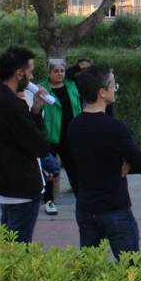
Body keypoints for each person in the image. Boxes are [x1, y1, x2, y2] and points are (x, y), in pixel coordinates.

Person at [68, 63, 141, 257]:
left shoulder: (74, 125)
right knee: (130, 268)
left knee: (91, 269)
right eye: (113, 84)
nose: (115, 88)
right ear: (102, 92)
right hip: (114, 206)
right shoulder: (115, 127)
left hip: (86, 205)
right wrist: (127, 164)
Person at [0, 46, 52, 243]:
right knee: (19, 249)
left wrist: (35, 111)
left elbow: (20, 134)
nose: (31, 77)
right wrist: (30, 115)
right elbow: (38, 145)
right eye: (30, 71)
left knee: (8, 245)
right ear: (19, 73)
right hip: (20, 186)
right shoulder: (12, 105)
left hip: (2, 183)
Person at [38, 58, 82, 215]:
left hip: (70, 134)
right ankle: (49, 201)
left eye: (62, 71)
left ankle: (80, 199)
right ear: (49, 73)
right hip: (50, 135)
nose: (59, 74)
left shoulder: (71, 86)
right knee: (50, 170)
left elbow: (78, 107)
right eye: (56, 71)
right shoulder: (41, 89)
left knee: (74, 168)